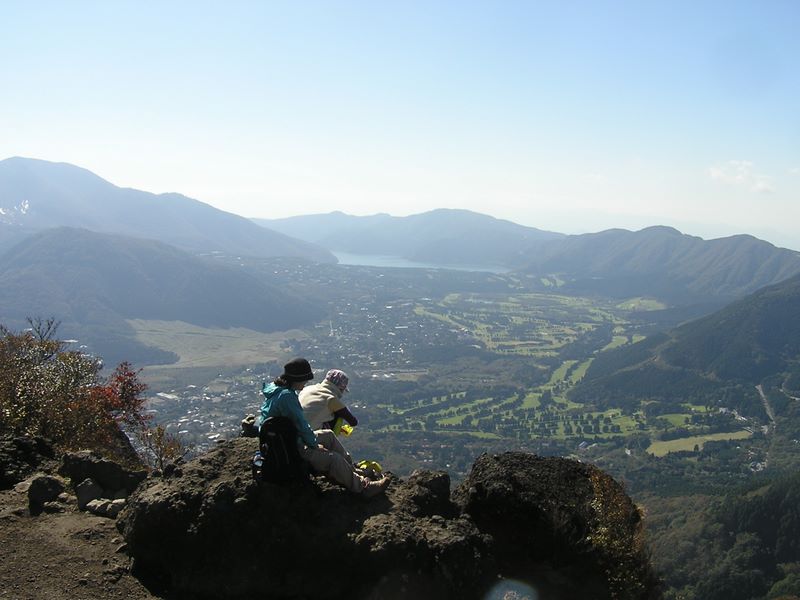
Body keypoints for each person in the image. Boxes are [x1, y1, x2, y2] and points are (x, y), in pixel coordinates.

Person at [259, 358, 389, 498]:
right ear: (298, 379)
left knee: (328, 435)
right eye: (305, 380)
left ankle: (353, 472)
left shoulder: (277, 390)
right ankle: (363, 487)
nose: (305, 384)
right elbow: (301, 425)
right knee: (334, 459)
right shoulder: (288, 397)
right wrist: (315, 444)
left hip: (286, 441)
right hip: (293, 448)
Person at [299, 369, 360, 468]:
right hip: (310, 437)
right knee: (338, 415)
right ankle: (348, 465)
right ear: (340, 388)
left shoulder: (307, 389)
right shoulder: (331, 398)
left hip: (296, 433)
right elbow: (353, 421)